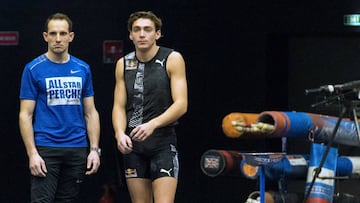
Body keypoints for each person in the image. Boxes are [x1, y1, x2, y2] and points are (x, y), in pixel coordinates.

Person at [18, 12, 101, 203]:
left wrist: (94, 150)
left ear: (70, 36)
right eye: (53, 33)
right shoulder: (33, 69)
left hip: (77, 147)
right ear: (45, 36)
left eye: (63, 33)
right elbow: (25, 114)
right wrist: (32, 153)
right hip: (46, 147)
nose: (58, 39)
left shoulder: (83, 68)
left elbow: (91, 112)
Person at [112, 11, 188, 203]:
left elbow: (181, 104)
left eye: (147, 29)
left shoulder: (172, 58)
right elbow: (119, 106)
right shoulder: (123, 63)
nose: (142, 34)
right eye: (137, 30)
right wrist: (120, 133)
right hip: (134, 145)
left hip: (162, 142)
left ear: (158, 34)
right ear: (130, 35)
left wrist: (152, 124)